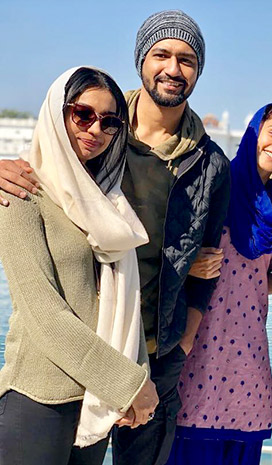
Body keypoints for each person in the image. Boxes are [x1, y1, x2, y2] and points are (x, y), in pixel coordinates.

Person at [0, 10, 231, 465]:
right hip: (79, 354)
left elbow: (208, 264)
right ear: (141, 61)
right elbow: (48, 178)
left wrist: (181, 347)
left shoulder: (211, 163)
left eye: (186, 59)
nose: (173, 68)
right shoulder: (101, 134)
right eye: (161, 54)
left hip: (156, 353)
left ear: (199, 70)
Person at [0, 66, 158, 465]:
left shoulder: (108, 203)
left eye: (109, 121)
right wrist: (129, 383)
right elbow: (44, 314)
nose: (95, 130)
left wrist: (132, 381)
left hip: (97, 402)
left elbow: (123, 302)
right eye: (82, 114)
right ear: (57, 113)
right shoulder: (20, 194)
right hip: (40, 401)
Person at [167, 101, 272, 465]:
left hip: (247, 359)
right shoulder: (213, 185)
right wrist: (187, 267)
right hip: (196, 350)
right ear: (255, 132)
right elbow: (164, 250)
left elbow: (256, 280)